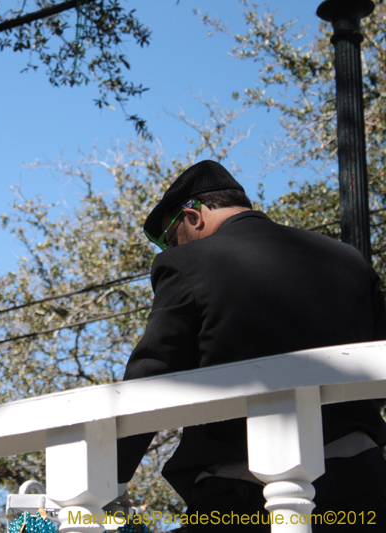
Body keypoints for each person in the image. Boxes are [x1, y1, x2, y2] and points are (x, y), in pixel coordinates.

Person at [111, 160, 386, 531]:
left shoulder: (185, 263)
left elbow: (152, 373)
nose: (170, 246)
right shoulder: (347, 259)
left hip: (245, 500)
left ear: (193, 216)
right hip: (364, 491)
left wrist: (110, 476)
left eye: (168, 236)